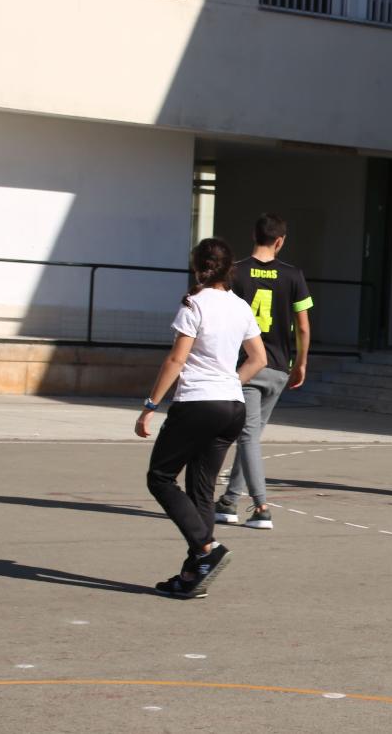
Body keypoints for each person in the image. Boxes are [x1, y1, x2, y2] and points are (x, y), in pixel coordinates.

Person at [136, 238, 266, 599]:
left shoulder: (193, 304)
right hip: (232, 406)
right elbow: (259, 359)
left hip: (197, 404)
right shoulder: (240, 306)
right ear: (230, 270)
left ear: (197, 267)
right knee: (201, 491)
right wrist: (230, 383)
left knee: (160, 477)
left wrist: (150, 405)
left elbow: (176, 361)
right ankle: (193, 575)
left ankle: (207, 548)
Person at [214, 214, 313, 530]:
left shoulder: (236, 272)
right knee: (251, 436)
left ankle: (261, 507)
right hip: (279, 367)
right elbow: (304, 327)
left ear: (253, 235)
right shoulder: (294, 275)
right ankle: (229, 500)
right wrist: (301, 363)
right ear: (280, 241)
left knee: (248, 438)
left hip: (248, 365)